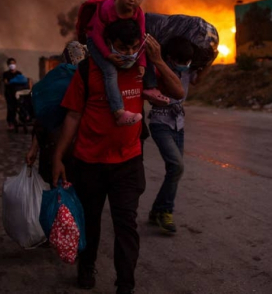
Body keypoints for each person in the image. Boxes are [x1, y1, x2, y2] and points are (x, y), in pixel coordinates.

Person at [52, 19, 185, 294]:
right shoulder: (90, 69)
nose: (129, 53)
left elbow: (178, 91)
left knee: (126, 224)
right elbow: (74, 115)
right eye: (123, 48)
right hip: (89, 162)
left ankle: (125, 284)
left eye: (135, 47)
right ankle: (86, 266)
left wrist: (158, 60)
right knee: (90, 220)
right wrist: (58, 157)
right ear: (108, 44)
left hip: (128, 162)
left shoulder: (142, 67)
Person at [86, 0, 170, 127]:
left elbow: (142, 39)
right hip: (98, 42)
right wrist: (107, 55)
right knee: (110, 72)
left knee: (151, 47)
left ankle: (150, 88)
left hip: (121, 42)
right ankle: (118, 112)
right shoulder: (107, 9)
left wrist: (142, 64)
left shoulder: (138, 14)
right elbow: (96, 35)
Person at [147, 37, 212, 234]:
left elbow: (198, 80)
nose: (185, 66)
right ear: (169, 58)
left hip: (178, 123)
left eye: (187, 62)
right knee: (177, 166)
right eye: (180, 62)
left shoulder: (187, 68)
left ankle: (157, 211)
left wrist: (210, 60)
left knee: (174, 170)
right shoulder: (160, 70)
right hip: (160, 122)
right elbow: (171, 91)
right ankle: (166, 211)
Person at [26, 41, 88, 183]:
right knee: (75, 196)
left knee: (53, 192)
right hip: (78, 147)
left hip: (51, 146)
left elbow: (43, 117)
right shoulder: (86, 78)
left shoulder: (52, 79)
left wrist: (34, 148)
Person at [2, 57, 30, 129]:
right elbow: (6, 82)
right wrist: (12, 82)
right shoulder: (6, 74)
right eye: (10, 64)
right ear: (8, 65)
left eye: (13, 63)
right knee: (11, 108)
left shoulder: (19, 73)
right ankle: (11, 122)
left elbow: (22, 81)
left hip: (18, 93)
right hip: (9, 93)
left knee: (20, 106)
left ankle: (22, 118)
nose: (12, 65)